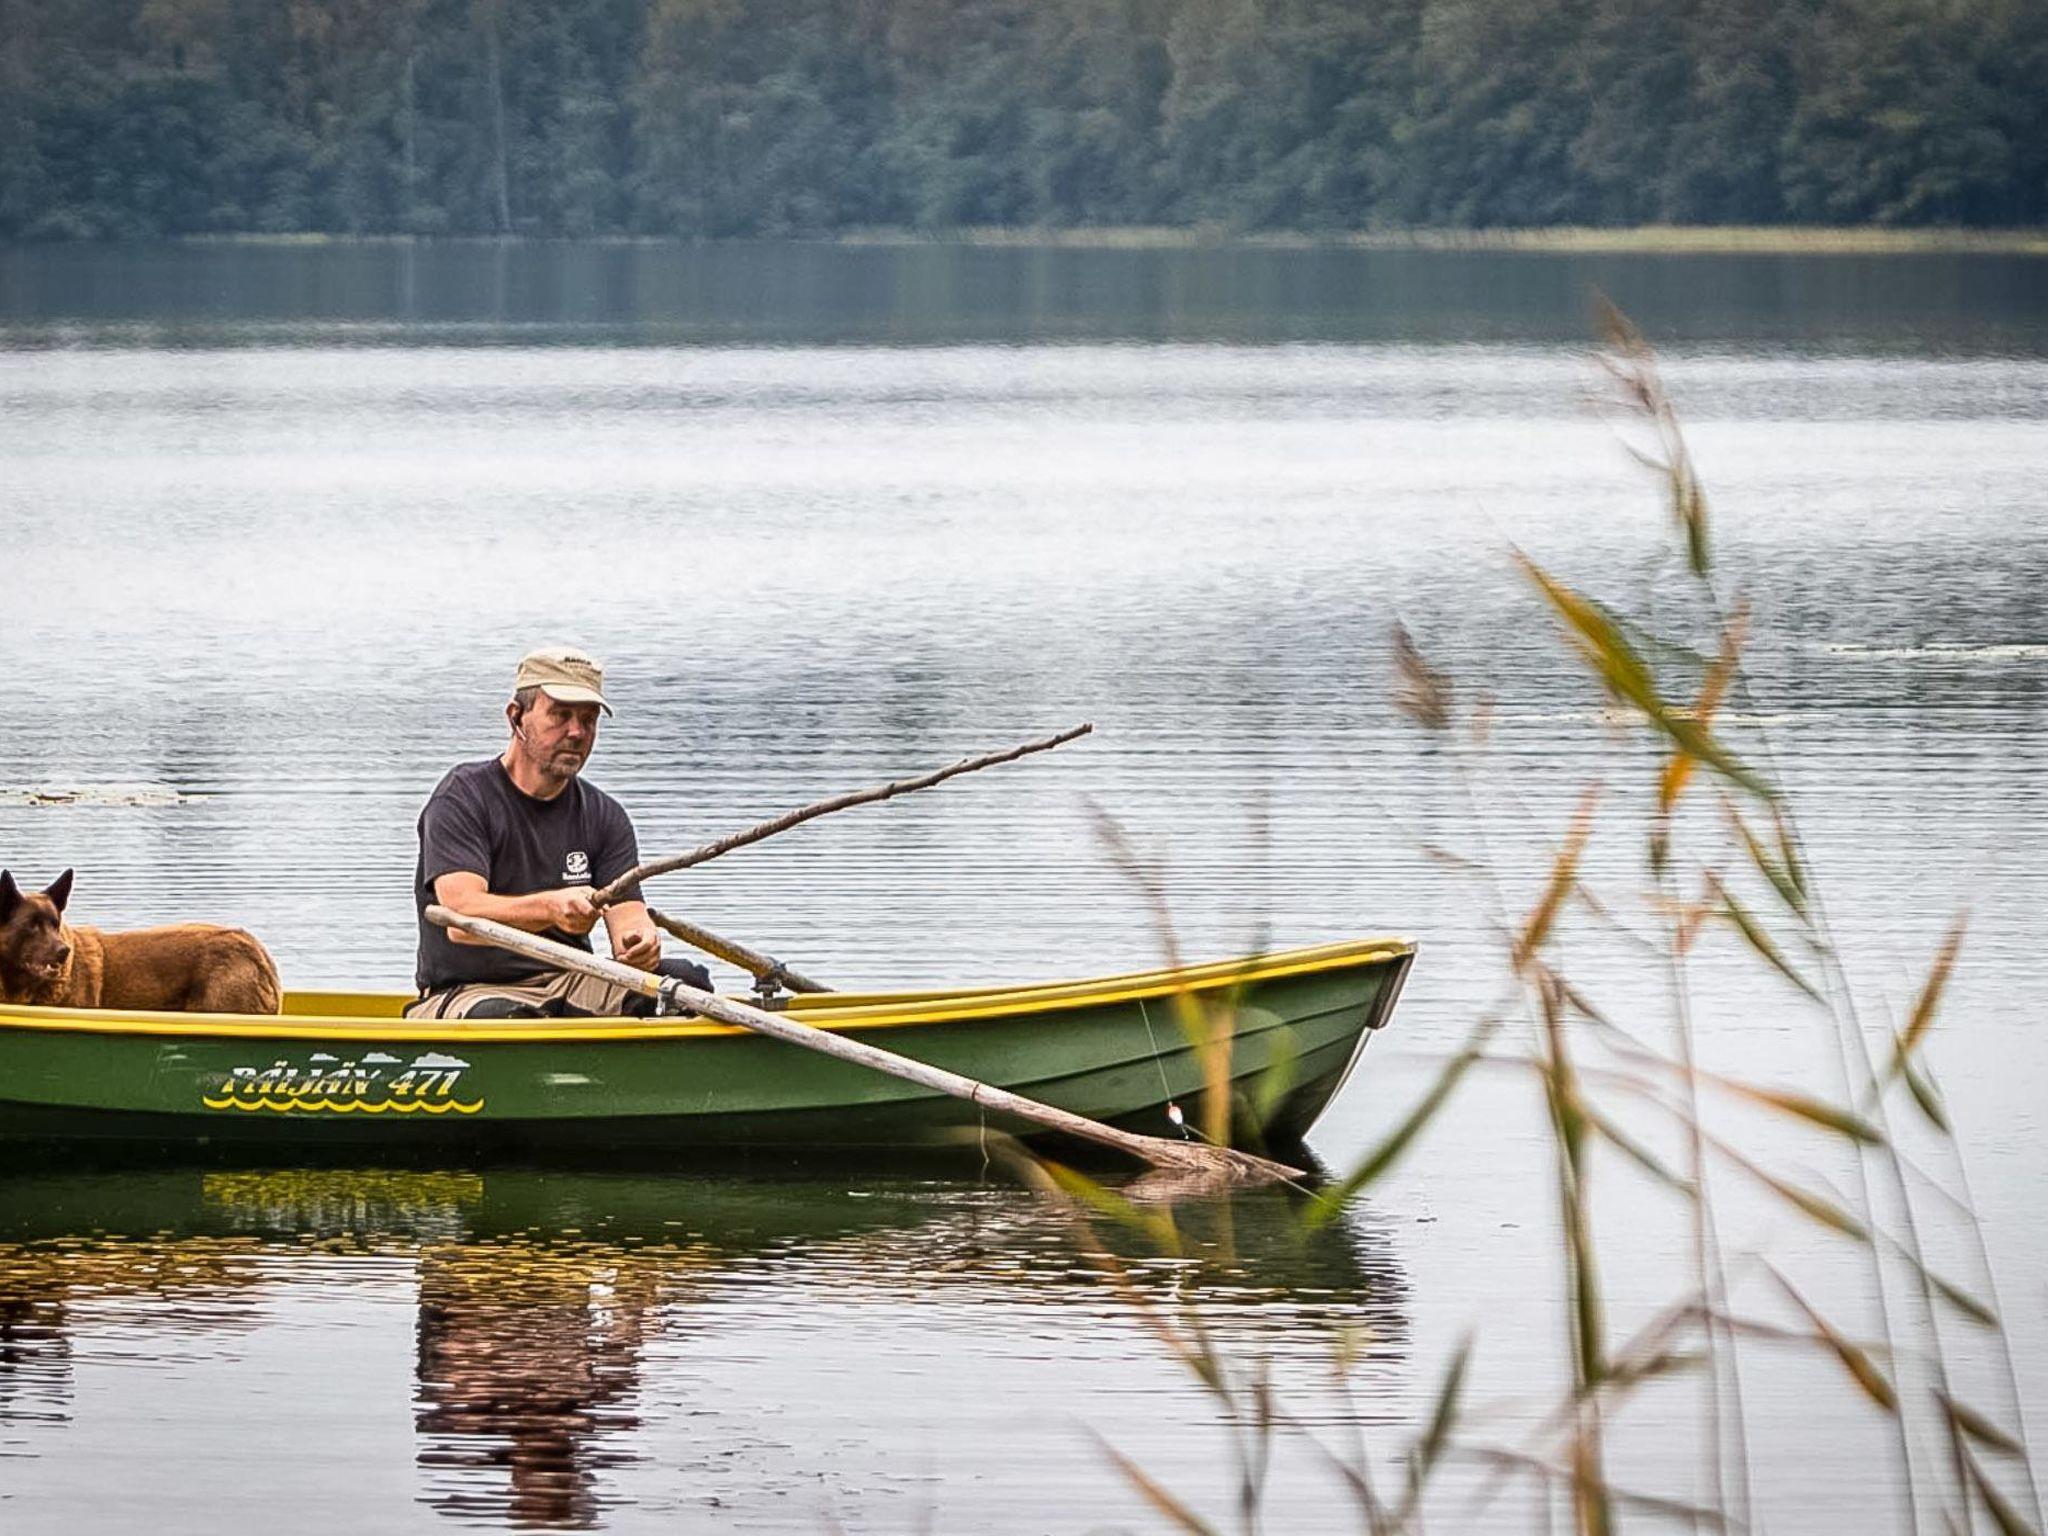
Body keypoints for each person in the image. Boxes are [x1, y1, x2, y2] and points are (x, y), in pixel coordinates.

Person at [407, 646, 712, 1020]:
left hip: (572, 979)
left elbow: (628, 917)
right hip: (468, 990)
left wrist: (640, 943)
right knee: (507, 1020)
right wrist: (550, 907)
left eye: (588, 719)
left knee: (685, 987)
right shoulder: (463, 796)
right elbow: (459, 917)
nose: (576, 732)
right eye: (560, 715)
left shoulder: (605, 815)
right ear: (516, 718)